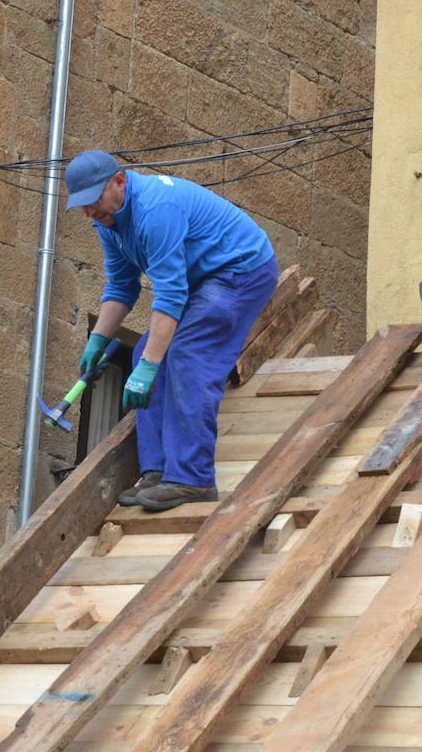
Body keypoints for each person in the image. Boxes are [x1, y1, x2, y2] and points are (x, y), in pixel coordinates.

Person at [64, 149, 279, 512]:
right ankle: (158, 471)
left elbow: (171, 293)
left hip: (240, 272)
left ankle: (192, 479)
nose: (89, 212)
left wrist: (150, 366)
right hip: (201, 278)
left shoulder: (155, 210)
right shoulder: (108, 223)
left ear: (119, 181)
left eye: (94, 200)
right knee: (141, 352)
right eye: (82, 206)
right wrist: (98, 342)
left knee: (186, 355)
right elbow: (121, 286)